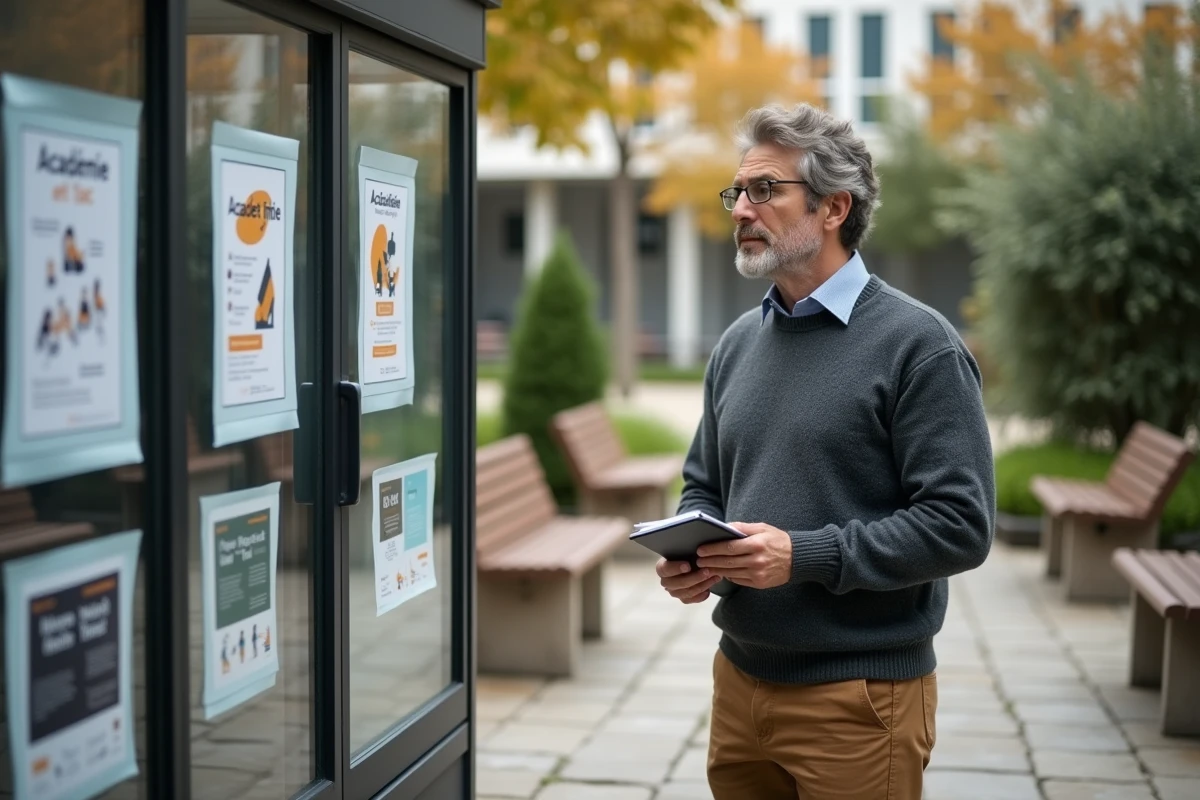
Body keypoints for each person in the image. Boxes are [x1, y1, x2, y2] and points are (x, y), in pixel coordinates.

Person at [656, 103, 995, 800]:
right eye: (736, 192)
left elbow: (960, 526)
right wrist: (697, 559)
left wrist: (802, 555)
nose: (741, 210)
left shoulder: (919, 347)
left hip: (860, 698)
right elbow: (704, 487)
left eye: (764, 190)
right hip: (739, 682)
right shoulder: (737, 344)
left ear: (833, 207)